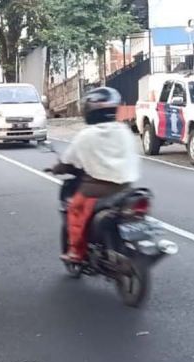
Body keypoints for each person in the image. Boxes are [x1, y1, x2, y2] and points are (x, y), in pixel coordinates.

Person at [53, 87, 140, 262]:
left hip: (96, 190)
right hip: (126, 187)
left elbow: (68, 159)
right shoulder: (124, 131)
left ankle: (76, 251)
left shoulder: (86, 135)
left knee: (75, 210)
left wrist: (58, 168)